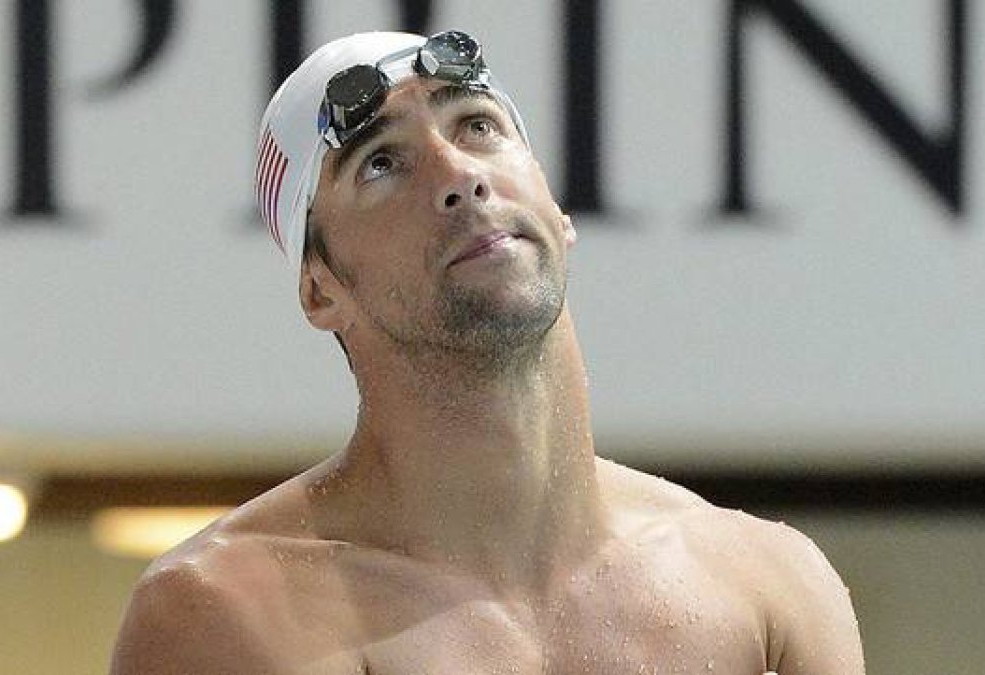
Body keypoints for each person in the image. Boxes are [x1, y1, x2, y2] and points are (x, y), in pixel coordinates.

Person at [110, 30, 864, 675]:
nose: (459, 176)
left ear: (558, 211)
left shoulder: (772, 587)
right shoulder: (234, 612)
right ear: (321, 289)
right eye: (380, 163)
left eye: (477, 125)